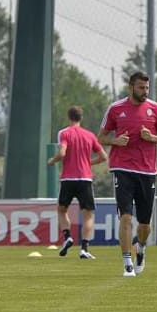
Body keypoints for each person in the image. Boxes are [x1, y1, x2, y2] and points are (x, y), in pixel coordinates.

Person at [98, 71, 157, 278]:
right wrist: (115, 141)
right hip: (122, 169)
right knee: (125, 217)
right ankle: (127, 263)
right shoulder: (115, 109)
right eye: (141, 87)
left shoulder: (156, 109)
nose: (145, 91)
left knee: (145, 225)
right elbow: (100, 137)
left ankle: (140, 248)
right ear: (131, 87)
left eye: (147, 88)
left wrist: (152, 138)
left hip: (147, 171)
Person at [48, 106, 108, 260]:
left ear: (69, 117)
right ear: (81, 118)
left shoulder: (64, 133)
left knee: (62, 210)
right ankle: (84, 249)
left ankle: (67, 236)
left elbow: (62, 152)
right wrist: (88, 163)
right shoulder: (89, 135)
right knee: (88, 215)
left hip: (68, 178)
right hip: (85, 179)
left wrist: (53, 160)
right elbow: (104, 157)